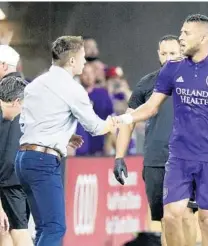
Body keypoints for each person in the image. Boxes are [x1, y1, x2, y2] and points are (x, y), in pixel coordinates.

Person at [113, 14, 208, 246]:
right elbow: (152, 106)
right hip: (179, 157)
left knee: (207, 218)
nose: (181, 37)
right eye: (181, 32)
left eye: (187, 33)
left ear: (204, 37)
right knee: (172, 215)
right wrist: (126, 118)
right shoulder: (172, 69)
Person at [14, 36, 114, 246]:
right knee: (55, 227)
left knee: (43, 227)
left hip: (24, 159)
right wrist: (117, 122)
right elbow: (96, 127)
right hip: (43, 162)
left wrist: (64, 135)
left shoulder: (35, 84)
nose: (85, 62)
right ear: (71, 61)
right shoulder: (72, 88)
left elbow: (25, 124)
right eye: (82, 58)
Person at [113, 35, 197, 246]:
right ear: (158, 55)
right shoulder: (147, 83)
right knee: (166, 219)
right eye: (164, 53)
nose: (168, 58)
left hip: (188, 159)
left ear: (182, 53)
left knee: (185, 215)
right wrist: (119, 156)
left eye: (173, 53)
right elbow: (128, 121)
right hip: (155, 160)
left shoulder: (197, 81)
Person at [0, 47, 33, 246]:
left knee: (16, 230)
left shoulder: (5, 94)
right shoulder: (31, 90)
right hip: (25, 172)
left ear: (3, 65)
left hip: (6, 176)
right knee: (9, 230)